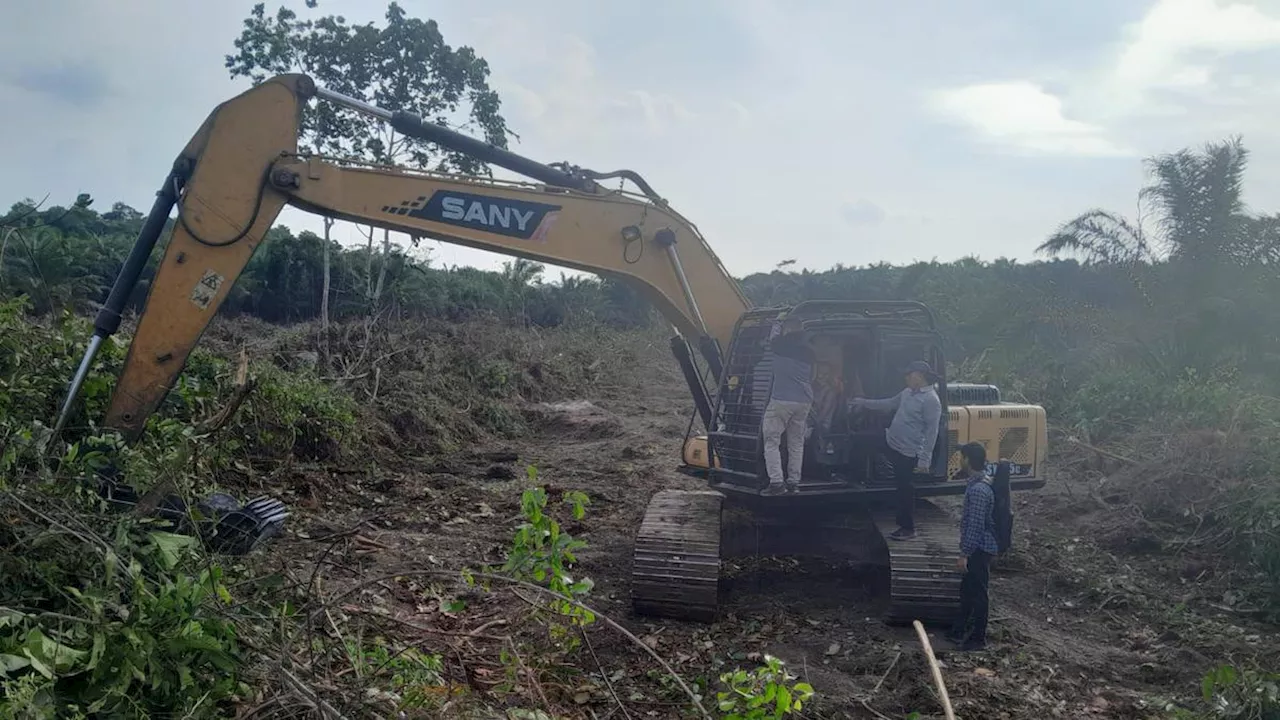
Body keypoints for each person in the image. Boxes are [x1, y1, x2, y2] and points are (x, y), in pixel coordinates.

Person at [850, 360, 942, 540]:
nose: (906, 378)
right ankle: (854, 478)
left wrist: (924, 460)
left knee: (904, 489)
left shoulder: (931, 400)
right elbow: (888, 404)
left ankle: (908, 528)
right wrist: (862, 402)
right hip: (890, 439)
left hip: (908, 450)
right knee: (860, 439)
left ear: (920, 376)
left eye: (909, 374)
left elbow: (932, 432)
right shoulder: (907, 393)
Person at [950, 441, 999, 651]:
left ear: (968, 459)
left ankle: (978, 638)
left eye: (961, 456)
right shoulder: (976, 485)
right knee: (967, 591)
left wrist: (964, 553)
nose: (959, 460)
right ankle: (958, 630)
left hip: (979, 549)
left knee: (978, 593)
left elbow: (975, 525)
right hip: (977, 548)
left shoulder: (979, 490)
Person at [759, 315, 815, 495]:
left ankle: (776, 483)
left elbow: (773, 337)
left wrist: (777, 322)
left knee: (771, 441)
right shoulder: (809, 351)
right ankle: (793, 483)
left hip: (781, 400)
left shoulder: (780, 345)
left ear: (788, 329)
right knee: (796, 443)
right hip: (804, 401)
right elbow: (812, 376)